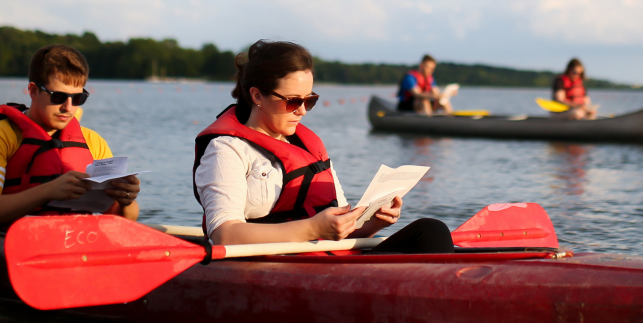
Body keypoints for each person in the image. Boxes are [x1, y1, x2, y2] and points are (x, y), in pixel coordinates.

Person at [193, 40, 453, 253]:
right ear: (257, 95)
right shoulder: (226, 150)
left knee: (430, 230)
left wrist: (372, 223)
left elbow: (338, 228)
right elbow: (224, 235)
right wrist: (313, 230)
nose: (303, 111)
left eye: (310, 100)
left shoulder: (309, 146)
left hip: (326, 262)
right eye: (293, 101)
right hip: (269, 270)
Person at [0, 45, 140, 227]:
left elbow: (121, 218)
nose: (68, 108)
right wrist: (47, 191)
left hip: (72, 242)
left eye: (77, 99)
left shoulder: (93, 142)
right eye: (58, 96)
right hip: (9, 239)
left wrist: (127, 200)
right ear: (33, 91)